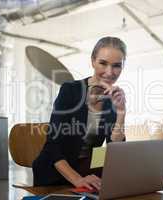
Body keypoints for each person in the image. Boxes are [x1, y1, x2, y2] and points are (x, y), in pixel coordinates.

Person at [32, 36, 127, 190]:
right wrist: (77, 180)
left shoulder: (113, 101)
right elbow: (53, 145)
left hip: (86, 171)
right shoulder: (71, 90)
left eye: (116, 66)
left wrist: (121, 113)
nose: (109, 72)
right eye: (103, 63)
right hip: (56, 175)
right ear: (93, 61)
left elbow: (114, 149)